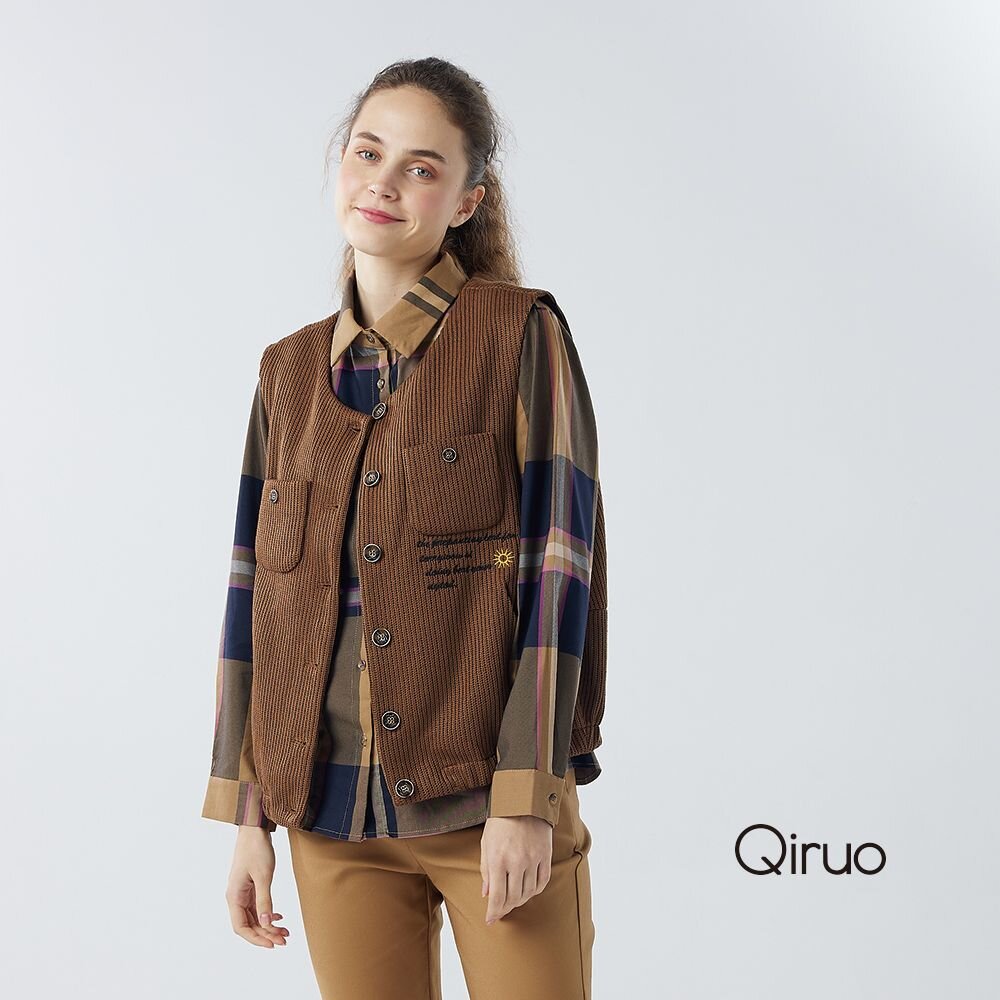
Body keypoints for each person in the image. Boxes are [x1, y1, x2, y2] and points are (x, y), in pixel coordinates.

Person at [200, 56, 608, 1000]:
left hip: (488, 805)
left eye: (421, 167)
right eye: (367, 152)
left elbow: (560, 572)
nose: (383, 182)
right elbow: (255, 597)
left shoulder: (519, 334)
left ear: (466, 202)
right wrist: (249, 816)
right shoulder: (286, 372)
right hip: (326, 814)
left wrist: (526, 797)